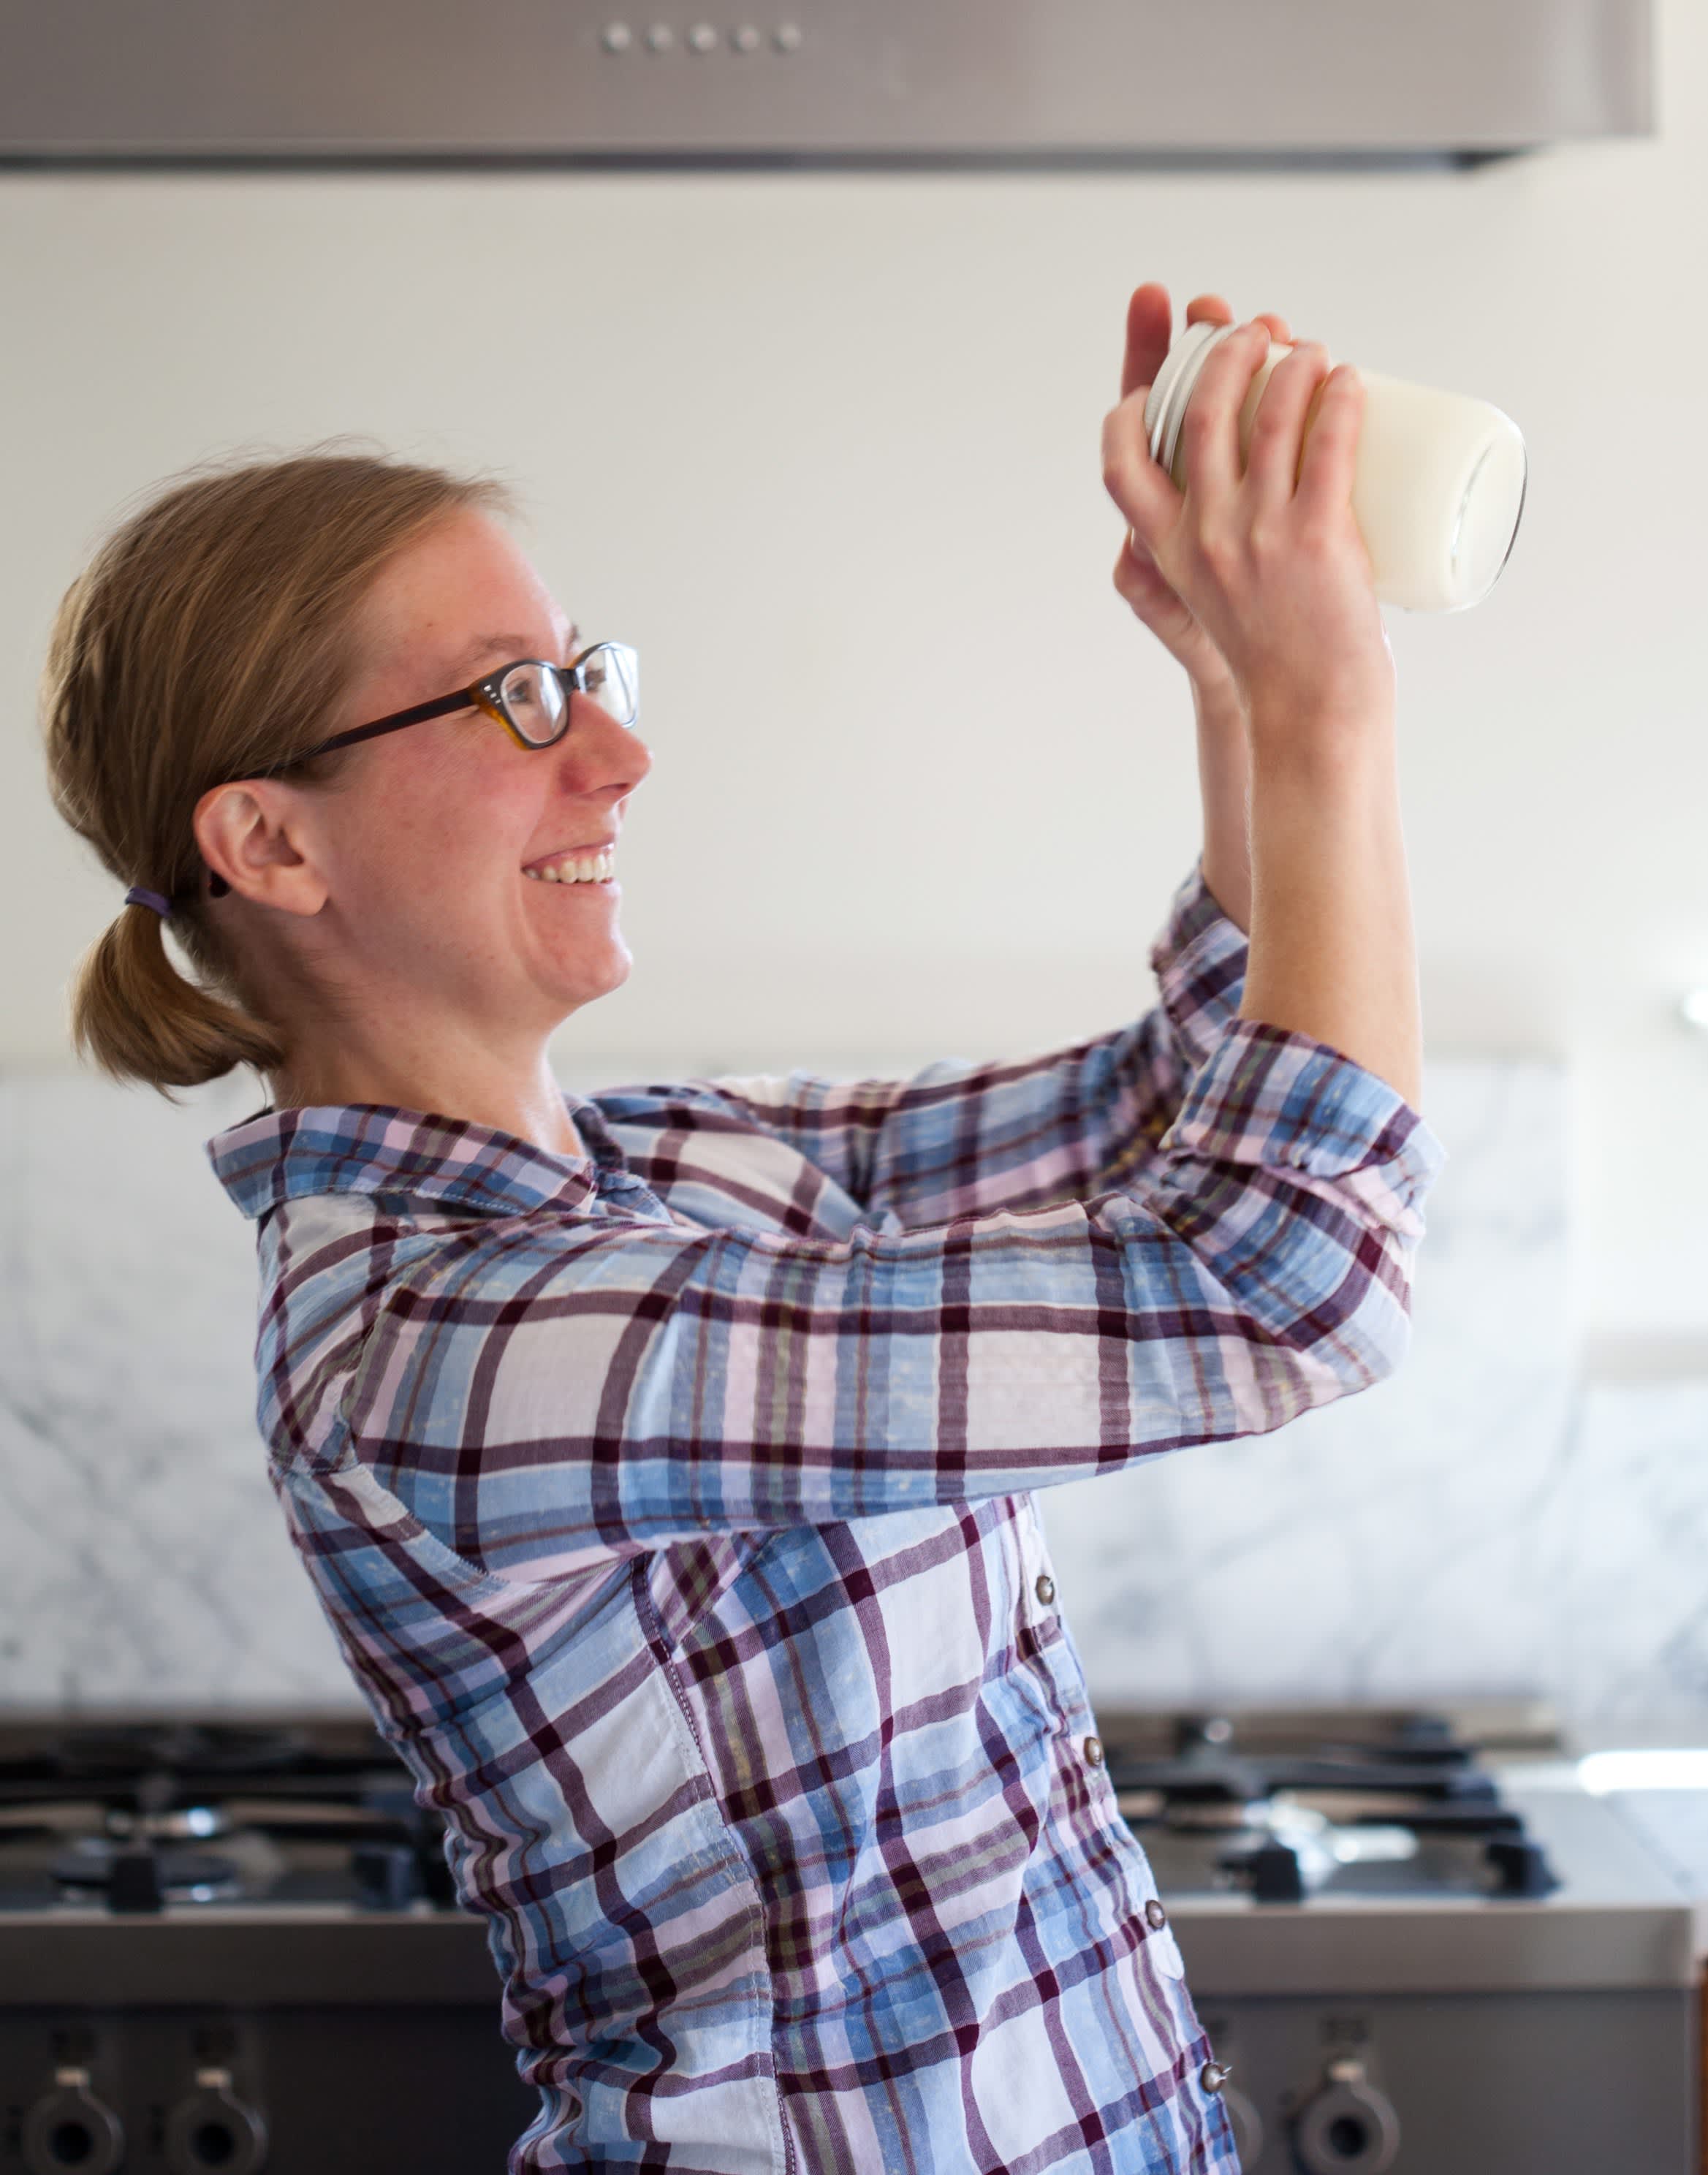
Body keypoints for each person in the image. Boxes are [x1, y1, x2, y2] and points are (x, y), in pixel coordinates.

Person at [42, 281, 1441, 2174]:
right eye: (509, 699)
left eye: (587, 673)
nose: (612, 758)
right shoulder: (450, 1348)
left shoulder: (671, 1169)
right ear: (272, 844)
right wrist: (1321, 703)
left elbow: (1184, 1113)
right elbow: (1285, 1286)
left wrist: (1222, 685)